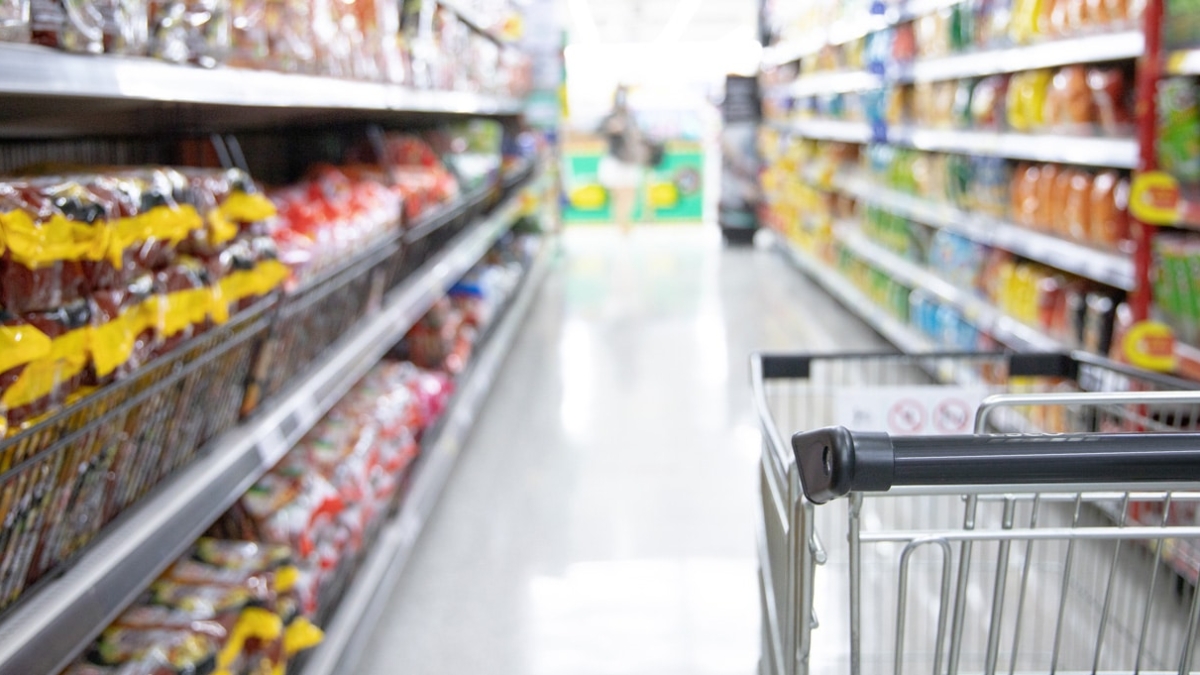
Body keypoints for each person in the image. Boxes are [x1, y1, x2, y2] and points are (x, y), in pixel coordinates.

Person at [598, 85, 649, 233]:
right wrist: (611, 128)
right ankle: (620, 223)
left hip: (630, 161)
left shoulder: (632, 118)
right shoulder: (610, 117)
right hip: (616, 160)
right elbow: (599, 130)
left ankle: (625, 222)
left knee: (630, 193)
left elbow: (640, 137)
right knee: (618, 194)